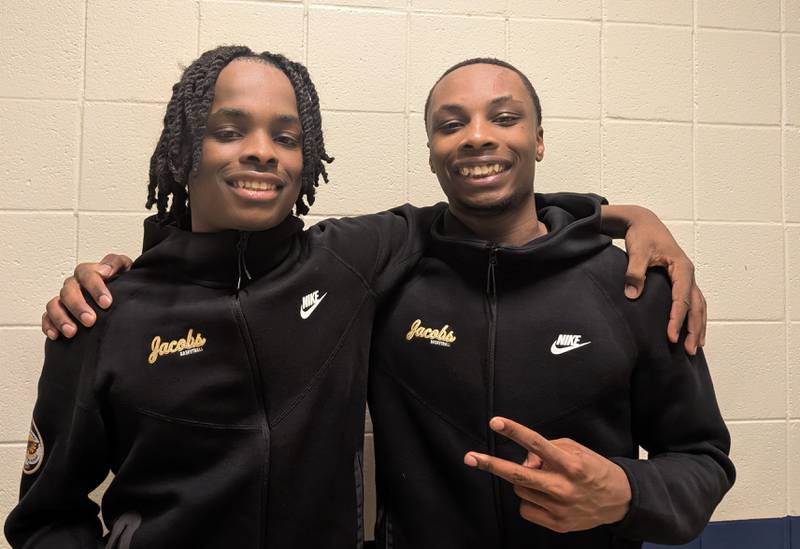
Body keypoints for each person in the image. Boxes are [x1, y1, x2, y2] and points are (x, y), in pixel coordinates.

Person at [30, 48, 705, 548]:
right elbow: (44, 516)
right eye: (230, 129)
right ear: (182, 148)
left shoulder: (352, 261)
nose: (263, 152)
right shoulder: (105, 311)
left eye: (287, 136)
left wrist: (622, 217)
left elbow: (492, 212)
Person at [367, 58, 733, 548]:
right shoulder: (383, 279)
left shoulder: (634, 284)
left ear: (538, 140)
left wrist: (627, 491)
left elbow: (703, 458)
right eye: (451, 125)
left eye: (503, 118)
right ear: (432, 154)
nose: (477, 137)